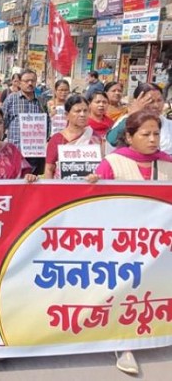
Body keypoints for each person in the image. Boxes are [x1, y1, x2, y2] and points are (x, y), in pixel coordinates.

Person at [86, 110, 172, 375]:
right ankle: (123, 345)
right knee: (126, 293)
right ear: (129, 136)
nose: (153, 139)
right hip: (121, 247)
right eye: (145, 134)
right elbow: (90, 205)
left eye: (156, 133)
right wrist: (92, 184)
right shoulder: (112, 164)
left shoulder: (167, 163)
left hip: (160, 246)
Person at [44, 95, 102, 179]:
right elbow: (49, 169)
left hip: (89, 186)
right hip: (62, 186)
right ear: (66, 115)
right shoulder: (57, 139)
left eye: (85, 111)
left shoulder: (95, 138)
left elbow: (100, 168)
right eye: (78, 111)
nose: (82, 114)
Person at [3, 69, 48, 175]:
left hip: (34, 152)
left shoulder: (41, 101)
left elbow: (47, 123)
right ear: (20, 82)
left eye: (33, 81)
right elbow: (3, 122)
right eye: (26, 81)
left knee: (32, 181)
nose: (30, 83)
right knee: (15, 179)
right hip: (15, 150)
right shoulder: (11, 99)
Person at [107, 82, 172, 155]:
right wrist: (131, 116)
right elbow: (112, 140)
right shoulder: (126, 120)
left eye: (159, 100)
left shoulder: (169, 125)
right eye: (150, 101)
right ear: (136, 102)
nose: (156, 105)